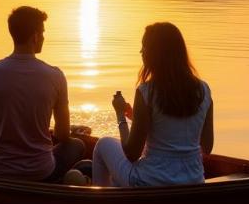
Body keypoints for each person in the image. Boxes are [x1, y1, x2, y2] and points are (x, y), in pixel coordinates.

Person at [0, 6, 84, 181]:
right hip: (42, 172)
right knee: (77, 145)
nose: (43, 37)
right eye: (42, 33)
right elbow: (63, 135)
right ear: (35, 36)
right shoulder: (55, 76)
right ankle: (55, 187)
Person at [91, 22, 213, 187]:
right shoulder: (204, 90)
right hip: (194, 182)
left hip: (150, 182)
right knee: (116, 179)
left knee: (103, 144)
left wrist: (120, 114)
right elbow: (207, 146)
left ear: (156, 54)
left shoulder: (146, 91)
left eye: (144, 47)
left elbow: (131, 154)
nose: (141, 52)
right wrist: (137, 117)